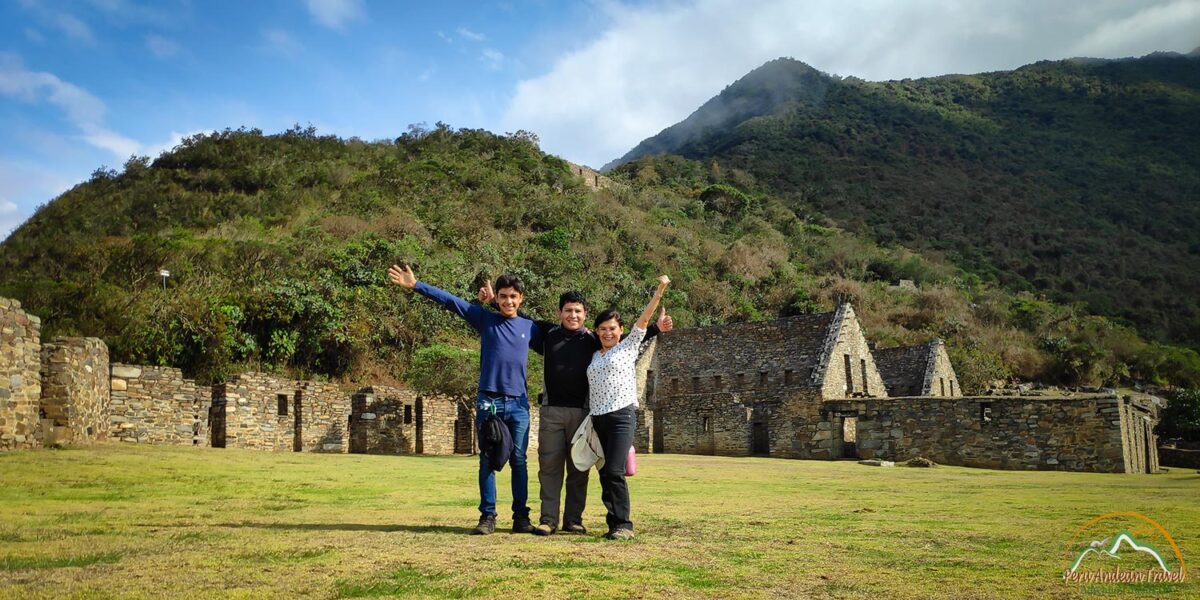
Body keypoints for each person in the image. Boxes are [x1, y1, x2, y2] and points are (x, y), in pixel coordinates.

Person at [478, 284, 673, 536]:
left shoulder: (593, 338)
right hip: (551, 412)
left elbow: (622, 341)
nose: (573, 315)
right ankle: (548, 520)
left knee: (579, 469)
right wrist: (495, 301)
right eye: (568, 310)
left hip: (583, 413)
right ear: (560, 312)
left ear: (585, 314)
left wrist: (656, 328)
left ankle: (573, 519)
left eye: (578, 311)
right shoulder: (547, 333)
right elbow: (519, 317)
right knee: (549, 467)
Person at [387, 264, 541, 535]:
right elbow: (451, 302)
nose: (508, 301)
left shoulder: (529, 327)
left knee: (519, 459)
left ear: (521, 299)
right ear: (498, 298)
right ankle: (488, 516)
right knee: (487, 459)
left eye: (513, 297)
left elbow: (561, 338)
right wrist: (416, 285)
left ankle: (521, 518)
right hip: (489, 401)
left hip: (518, 403)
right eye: (503, 296)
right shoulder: (485, 320)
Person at [587, 275, 670, 540]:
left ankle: (624, 524)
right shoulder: (593, 354)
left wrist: (658, 292)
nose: (607, 333)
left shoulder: (628, 347)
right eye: (602, 329)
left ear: (621, 330)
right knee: (604, 472)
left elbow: (644, 320)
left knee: (614, 470)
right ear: (597, 331)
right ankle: (613, 523)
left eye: (612, 328)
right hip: (598, 418)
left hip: (622, 415)